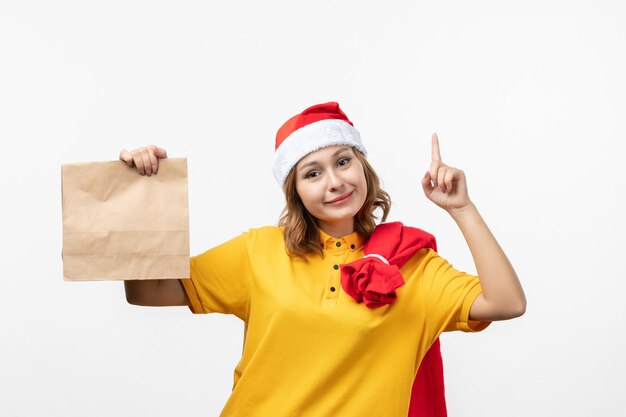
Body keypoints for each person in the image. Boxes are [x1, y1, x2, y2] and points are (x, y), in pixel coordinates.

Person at [120, 102, 526, 417]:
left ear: (362, 167)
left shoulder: (413, 266)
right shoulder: (257, 251)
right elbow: (148, 291)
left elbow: (506, 303)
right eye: (312, 173)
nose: (334, 182)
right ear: (295, 190)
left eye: (343, 162)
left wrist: (462, 208)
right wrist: (143, 197)